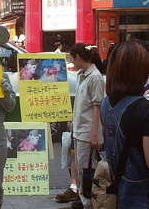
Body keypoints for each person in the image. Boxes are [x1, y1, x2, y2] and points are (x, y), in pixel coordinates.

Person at [102, 40, 149, 208]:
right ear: (141, 69)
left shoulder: (106, 103)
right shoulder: (148, 109)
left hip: (118, 193)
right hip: (145, 197)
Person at [68, 44, 105, 209]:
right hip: (79, 130)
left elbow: (97, 106)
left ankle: (89, 204)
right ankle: (85, 202)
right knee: (82, 171)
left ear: (78, 57)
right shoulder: (81, 75)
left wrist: (94, 134)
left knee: (87, 172)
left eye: (71, 58)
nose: (71, 62)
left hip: (87, 132)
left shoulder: (95, 77)